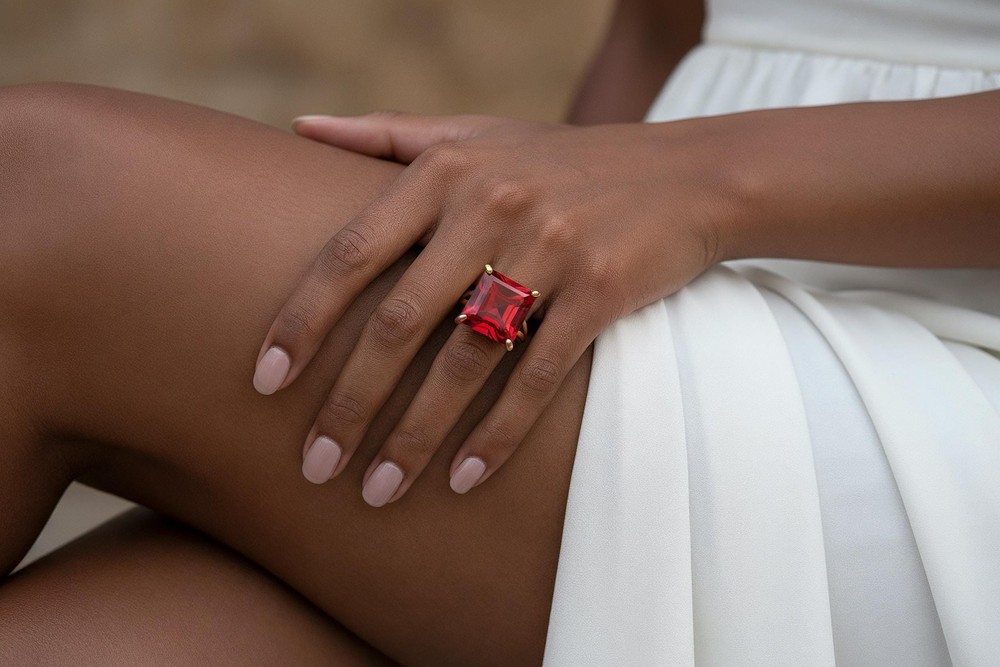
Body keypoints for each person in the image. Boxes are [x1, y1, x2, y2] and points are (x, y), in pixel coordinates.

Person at [1, 0, 998, 664]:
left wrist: (701, 179)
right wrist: (559, 208)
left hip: (949, 363)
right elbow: (660, 28)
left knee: (39, 199)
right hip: (695, 270)